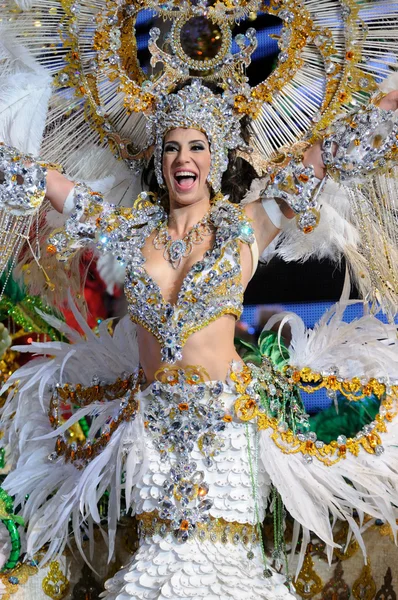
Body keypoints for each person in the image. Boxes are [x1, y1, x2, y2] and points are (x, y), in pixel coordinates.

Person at [1, 75, 398, 600]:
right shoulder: (128, 232)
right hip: (154, 431)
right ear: (160, 161)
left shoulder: (247, 227)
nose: (182, 158)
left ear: (214, 159)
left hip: (227, 428)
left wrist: (389, 106)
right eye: (171, 147)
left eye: (196, 146)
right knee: (155, 570)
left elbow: (321, 164)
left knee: (224, 567)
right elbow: (44, 181)